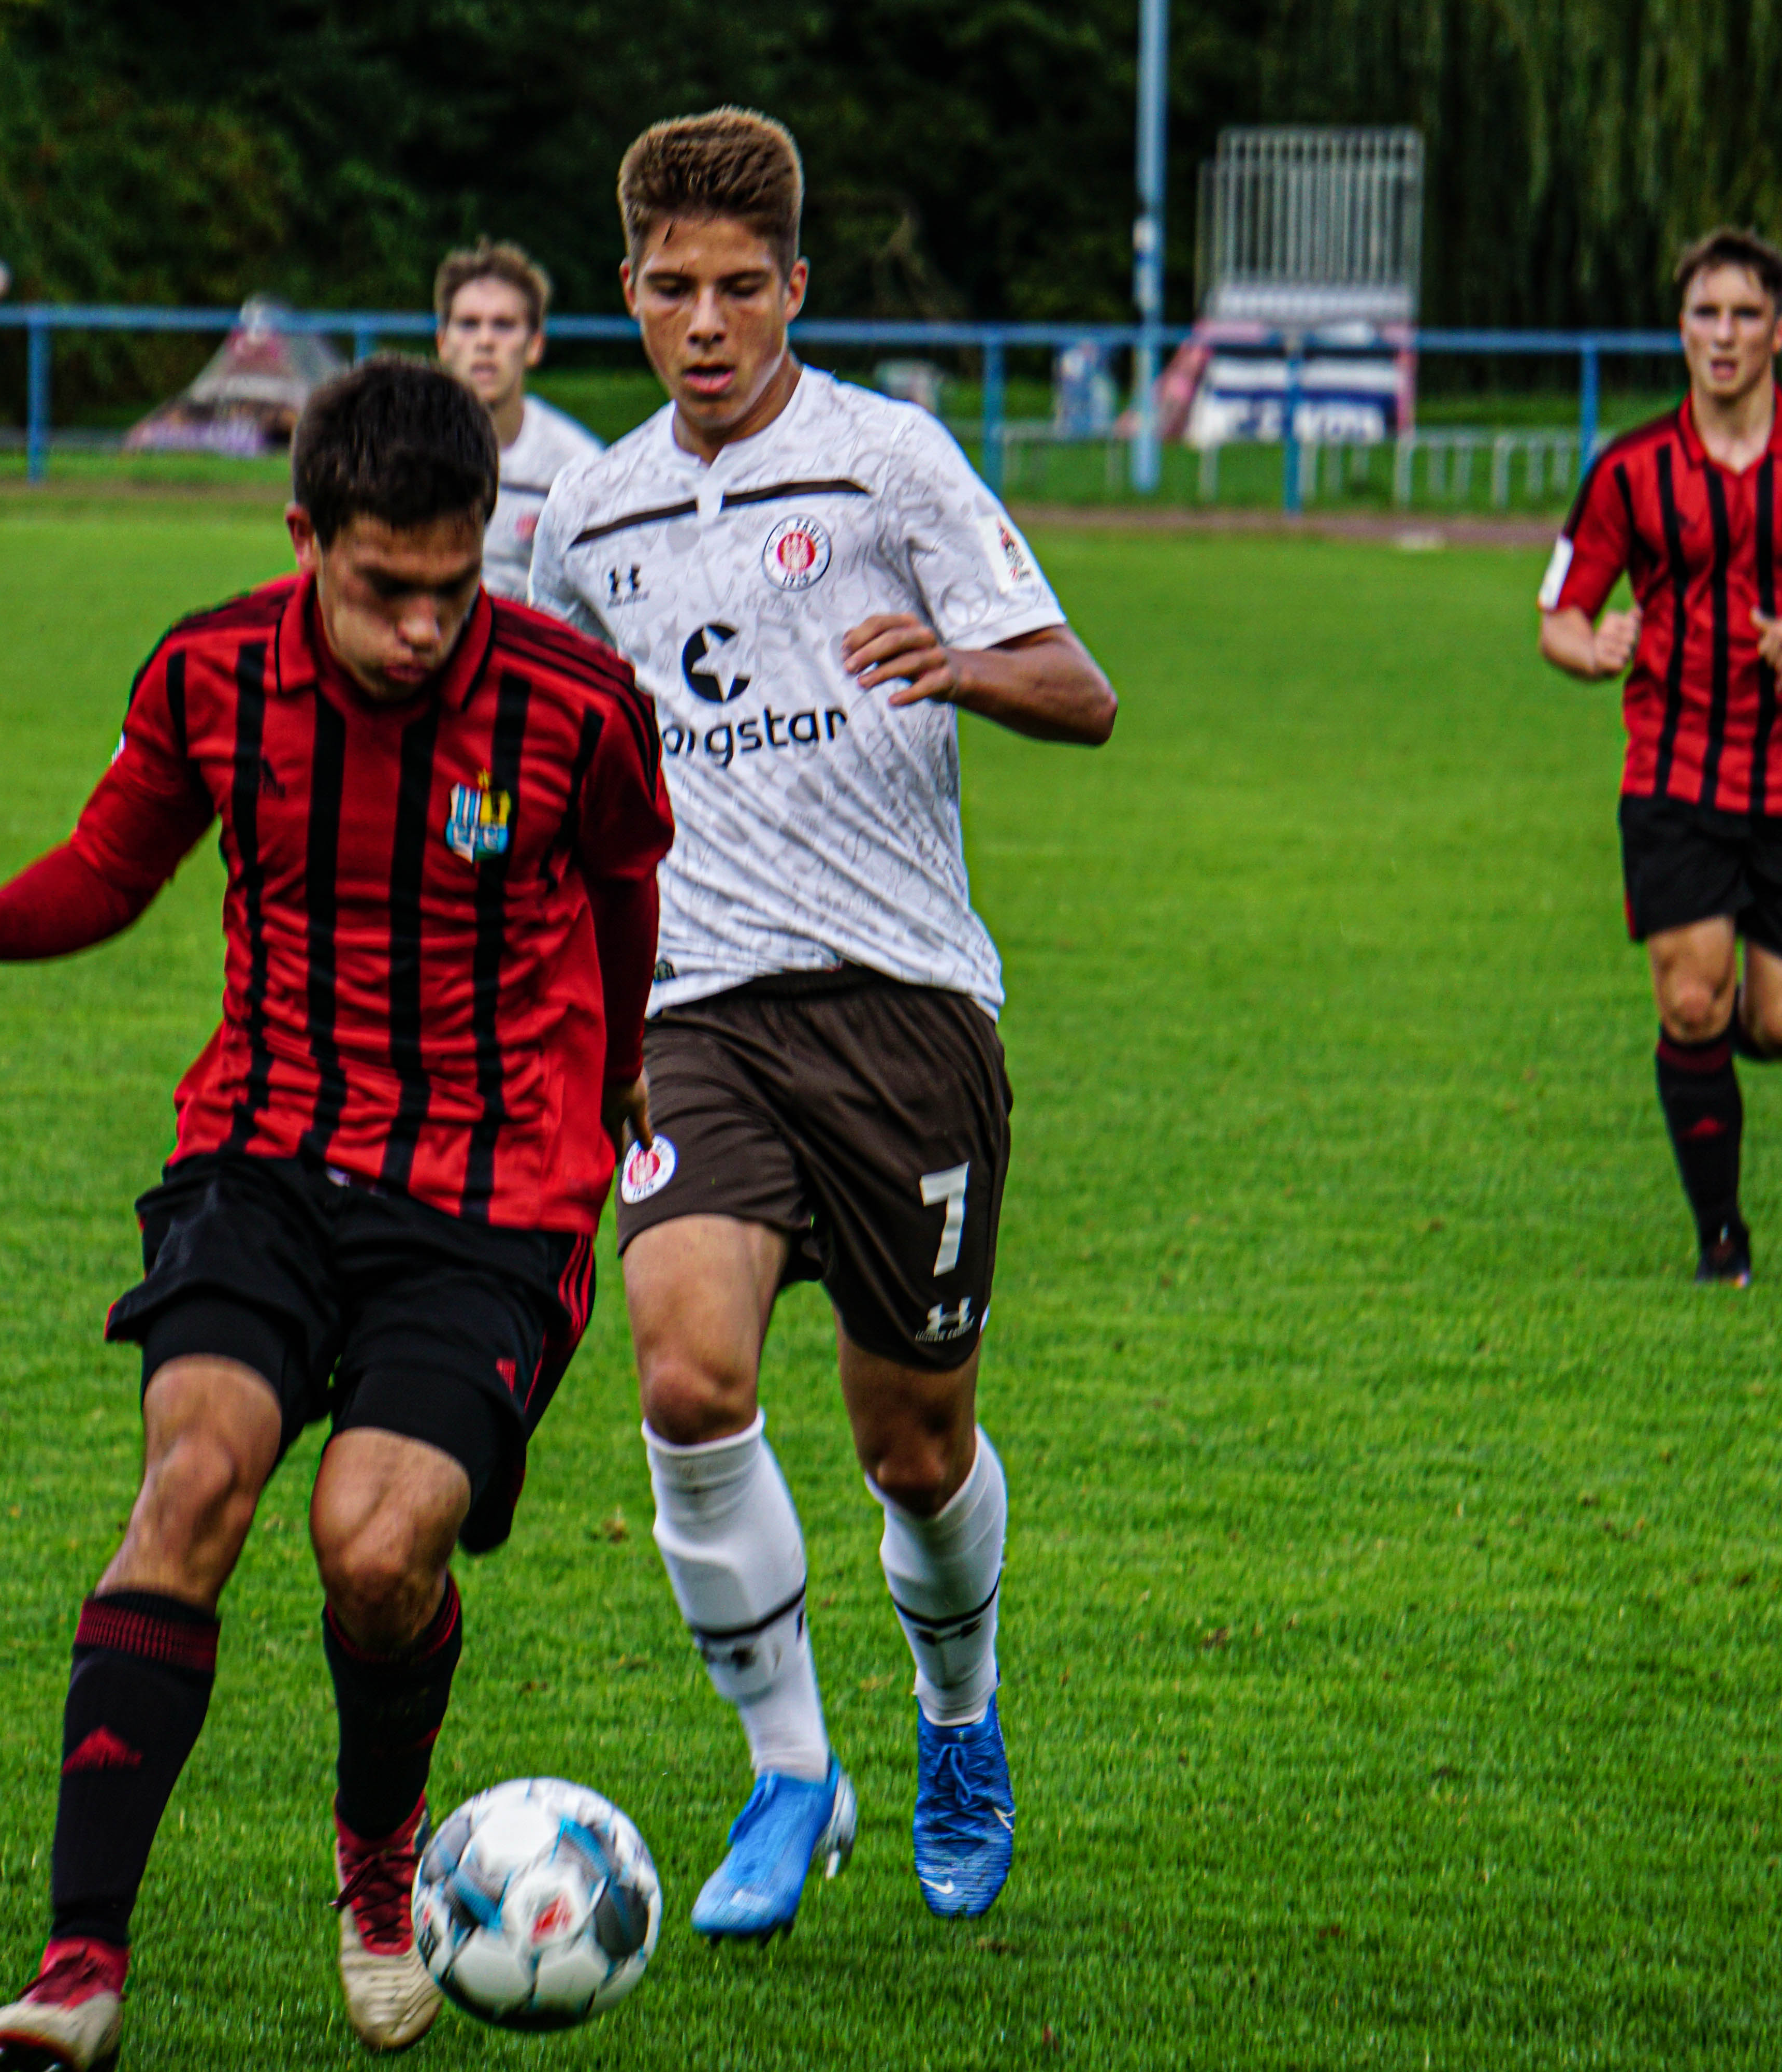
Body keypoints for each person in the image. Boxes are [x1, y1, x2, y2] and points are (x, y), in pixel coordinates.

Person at [0, 359, 672, 2070]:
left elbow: (622, 886)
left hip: (488, 1192)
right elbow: (113, 865)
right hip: (266, 1157)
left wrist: (622, 1082)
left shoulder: (577, 707)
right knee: (194, 1482)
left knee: (378, 1554)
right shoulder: (211, 674)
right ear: (306, 536)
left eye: (454, 591)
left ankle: (383, 1865)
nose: (424, 630)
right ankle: (80, 1967)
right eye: (384, 592)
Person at [529, 108, 1115, 1936]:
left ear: (799, 287)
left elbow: (1082, 694)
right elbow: (558, 755)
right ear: (625, 293)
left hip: (903, 1009)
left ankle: (956, 1720)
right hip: (692, 1010)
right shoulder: (587, 512)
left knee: (910, 1441)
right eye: (672, 291)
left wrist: (958, 664)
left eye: (741, 290)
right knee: (687, 1375)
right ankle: (793, 1768)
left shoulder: (892, 466)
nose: (707, 324)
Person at [1536, 227, 1782, 1285]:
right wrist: (1595, 645)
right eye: (1706, 313)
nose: (1724, 334)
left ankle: (1700, 1057)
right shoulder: (1629, 468)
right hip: (1676, 773)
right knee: (1692, 996)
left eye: (1745, 314)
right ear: (1681, 331)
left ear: (1781, 331)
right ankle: (1721, 1241)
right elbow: (1559, 615)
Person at [432, 240, 601, 600]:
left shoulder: (577, 468)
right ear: (443, 342)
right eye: (468, 324)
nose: (486, 341)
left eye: (504, 325)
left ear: (535, 345)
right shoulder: (402, 453)